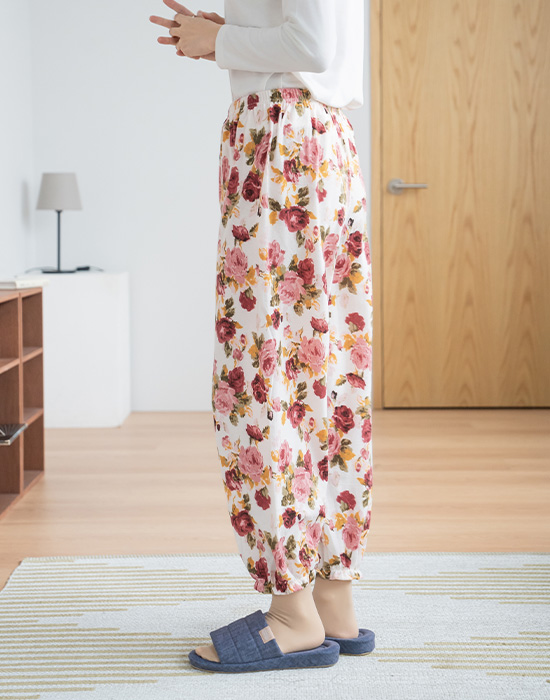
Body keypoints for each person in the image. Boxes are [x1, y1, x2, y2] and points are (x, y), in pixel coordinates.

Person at [150, 0, 373, 671]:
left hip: (279, 138)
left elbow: (309, 44)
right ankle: (330, 595)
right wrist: (228, 35)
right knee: (325, 372)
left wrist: (219, 41)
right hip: (319, 137)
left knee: (260, 376)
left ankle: (292, 613)